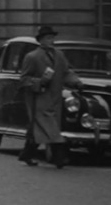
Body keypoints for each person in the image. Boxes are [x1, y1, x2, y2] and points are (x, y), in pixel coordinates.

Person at [18, 26, 83, 168]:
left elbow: (66, 72)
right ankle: (59, 158)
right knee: (50, 129)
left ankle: (26, 154)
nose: (50, 41)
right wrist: (39, 82)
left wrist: (76, 82)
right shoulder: (32, 57)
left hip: (55, 99)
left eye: (52, 38)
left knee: (41, 130)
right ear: (40, 40)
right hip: (39, 99)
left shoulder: (59, 55)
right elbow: (24, 79)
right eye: (48, 38)